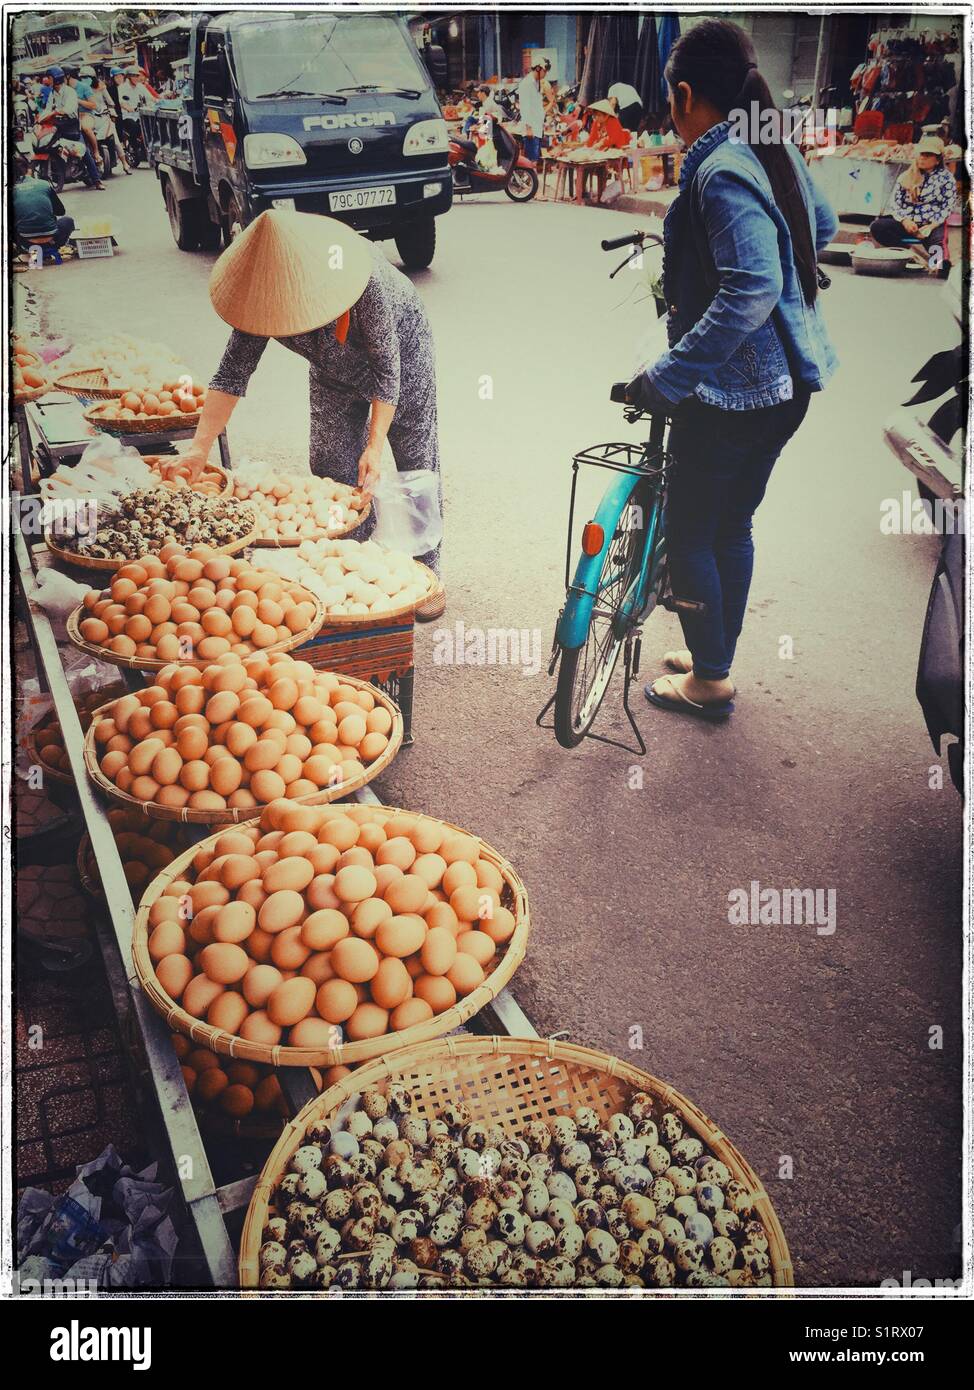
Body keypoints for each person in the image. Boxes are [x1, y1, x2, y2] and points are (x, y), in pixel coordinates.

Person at [625, 19, 838, 719]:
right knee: (731, 527)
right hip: (786, 390)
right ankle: (713, 652)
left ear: (686, 95)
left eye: (670, 100)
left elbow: (750, 289)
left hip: (735, 396)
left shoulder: (719, 170)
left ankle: (711, 682)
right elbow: (824, 226)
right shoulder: (768, 145)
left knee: (691, 533)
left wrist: (671, 374)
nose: (671, 114)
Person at [181, 211, 446, 617]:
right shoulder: (264, 301)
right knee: (331, 467)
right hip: (331, 372)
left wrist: (374, 447)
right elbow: (232, 372)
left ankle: (427, 570)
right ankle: (352, 559)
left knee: (415, 462)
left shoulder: (366, 284)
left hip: (400, 362)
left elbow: (386, 372)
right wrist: (198, 449)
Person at [870, 136, 955, 274]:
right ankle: (909, 254)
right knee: (878, 227)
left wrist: (931, 225)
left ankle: (939, 265)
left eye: (928, 155)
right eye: (921, 154)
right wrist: (905, 221)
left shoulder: (946, 179)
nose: (922, 158)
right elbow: (895, 203)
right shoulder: (906, 176)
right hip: (907, 223)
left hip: (931, 225)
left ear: (938, 160)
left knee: (940, 258)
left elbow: (947, 206)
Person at [40, 67, 104, 189]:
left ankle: (97, 181)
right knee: (47, 144)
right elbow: (48, 109)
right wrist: (41, 117)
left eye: (49, 78)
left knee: (84, 152)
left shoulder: (70, 92)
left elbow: (69, 108)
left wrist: (56, 112)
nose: (47, 80)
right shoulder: (52, 93)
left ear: (56, 79)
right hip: (58, 127)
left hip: (72, 128)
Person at [13, 156, 75, 251]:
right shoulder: (44, 184)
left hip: (26, 244)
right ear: (29, 171)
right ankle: (51, 247)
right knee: (68, 221)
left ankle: (21, 250)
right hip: (53, 239)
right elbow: (60, 211)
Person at [516, 61, 546, 163]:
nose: (545, 74)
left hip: (537, 127)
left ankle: (533, 178)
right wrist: (528, 128)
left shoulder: (536, 83)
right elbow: (525, 107)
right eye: (544, 71)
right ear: (538, 69)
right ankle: (531, 179)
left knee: (535, 159)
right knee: (531, 161)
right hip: (531, 128)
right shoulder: (527, 84)